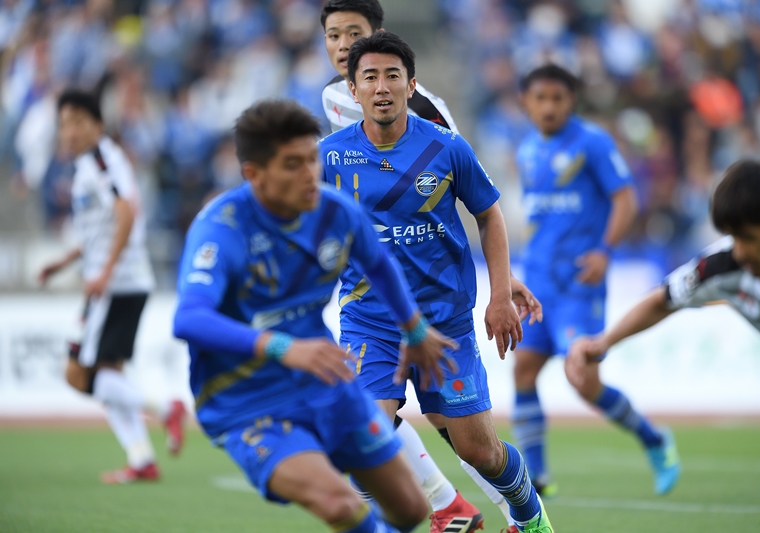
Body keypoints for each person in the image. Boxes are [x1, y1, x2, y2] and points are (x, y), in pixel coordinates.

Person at [172, 98, 461, 533]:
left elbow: (378, 263)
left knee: (410, 509)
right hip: (248, 402)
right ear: (254, 174)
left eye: (312, 158)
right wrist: (281, 347)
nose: (310, 174)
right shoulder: (222, 228)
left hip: (324, 385)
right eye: (292, 165)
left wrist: (414, 329)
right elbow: (189, 319)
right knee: (340, 504)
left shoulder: (335, 211)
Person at [319, 32, 552, 533]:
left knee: (479, 452)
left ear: (411, 85)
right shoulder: (329, 157)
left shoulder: (446, 147)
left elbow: (490, 215)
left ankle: (530, 517)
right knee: (364, 440)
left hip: (444, 320)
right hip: (370, 320)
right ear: (353, 90)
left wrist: (499, 294)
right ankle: (440, 509)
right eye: (370, 78)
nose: (381, 87)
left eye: (392, 76)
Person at [511, 63, 680, 497]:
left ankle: (653, 438)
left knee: (582, 378)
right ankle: (538, 476)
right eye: (540, 98)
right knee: (524, 370)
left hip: (578, 284)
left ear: (572, 101)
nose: (549, 107)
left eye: (558, 98)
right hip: (538, 282)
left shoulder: (592, 142)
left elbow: (625, 199)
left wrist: (605, 250)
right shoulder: (527, 149)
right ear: (526, 102)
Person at [568, 157, 760, 412]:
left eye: (749, 238)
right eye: (734, 237)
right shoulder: (721, 268)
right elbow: (661, 301)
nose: (740, 252)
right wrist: (603, 342)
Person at [38, 89, 186, 484]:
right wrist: (65, 261)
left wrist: (104, 270)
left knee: (77, 372)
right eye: (64, 124)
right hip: (123, 280)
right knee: (108, 373)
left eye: (77, 122)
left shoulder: (102, 160)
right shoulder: (93, 163)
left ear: (97, 125)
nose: (69, 132)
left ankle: (166, 408)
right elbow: (102, 226)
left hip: (116, 283)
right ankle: (141, 459)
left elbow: (126, 210)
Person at [321, 0, 457, 135]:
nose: (343, 45)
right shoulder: (331, 93)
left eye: (355, 34)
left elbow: (455, 148)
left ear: (377, 34)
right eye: (334, 36)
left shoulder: (426, 111)